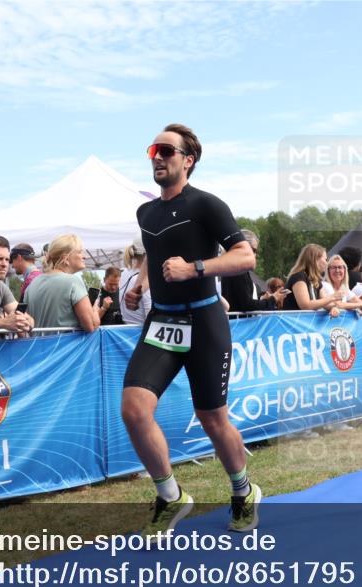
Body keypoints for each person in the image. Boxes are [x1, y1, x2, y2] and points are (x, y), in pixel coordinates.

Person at [119, 123, 260, 540]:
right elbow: (157, 252)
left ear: (187, 160)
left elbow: (245, 256)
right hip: (163, 320)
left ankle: (243, 489)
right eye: (153, 150)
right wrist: (143, 282)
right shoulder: (147, 213)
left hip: (204, 320)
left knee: (212, 417)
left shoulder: (207, 205)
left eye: (167, 150)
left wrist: (195, 268)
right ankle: (171, 495)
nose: (158, 157)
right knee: (133, 408)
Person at [23, 234, 101, 332]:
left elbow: (25, 325)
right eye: (80, 252)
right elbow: (91, 325)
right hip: (67, 346)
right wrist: (95, 309)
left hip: (38, 346)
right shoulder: (73, 281)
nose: (84, 256)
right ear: (66, 258)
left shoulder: (32, 284)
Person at [221, 229, 284, 312]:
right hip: (239, 322)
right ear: (242, 247)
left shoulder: (232, 267)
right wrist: (273, 299)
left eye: (256, 251)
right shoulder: (238, 270)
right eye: (253, 250)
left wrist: (262, 299)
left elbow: (242, 301)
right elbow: (247, 305)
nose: (255, 255)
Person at [284, 244, 341, 314]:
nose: (327, 263)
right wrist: (332, 297)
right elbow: (305, 306)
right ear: (315, 259)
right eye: (325, 259)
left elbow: (325, 302)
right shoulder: (298, 277)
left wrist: (333, 308)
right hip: (295, 322)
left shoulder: (315, 279)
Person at [119, 236, 152, 328]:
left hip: (127, 332)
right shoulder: (143, 280)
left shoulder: (124, 273)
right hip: (141, 333)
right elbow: (150, 318)